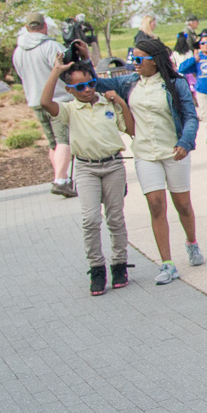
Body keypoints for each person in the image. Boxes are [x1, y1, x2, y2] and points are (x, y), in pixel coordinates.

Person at [95, 35, 202, 284]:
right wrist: (78, 59)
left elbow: (190, 117)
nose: (134, 63)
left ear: (154, 61)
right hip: (145, 153)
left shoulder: (176, 84)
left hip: (174, 152)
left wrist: (185, 142)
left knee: (182, 205)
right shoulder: (131, 82)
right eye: (133, 58)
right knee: (156, 206)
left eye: (139, 59)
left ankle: (192, 242)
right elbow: (96, 84)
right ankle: (167, 264)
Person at [40, 56, 135, 296]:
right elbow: (44, 102)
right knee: (90, 219)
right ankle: (96, 268)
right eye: (80, 87)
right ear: (69, 90)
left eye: (91, 83)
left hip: (113, 165)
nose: (87, 90)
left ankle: (120, 264)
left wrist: (120, 102)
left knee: (115, 218)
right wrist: (55, 72)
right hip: (86, 168)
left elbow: (130, 130)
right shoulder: (70, 109)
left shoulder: (107, 103)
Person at [13, 12, 75, 198]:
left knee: (52, 142)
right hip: (57, 99)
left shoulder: (18, 51)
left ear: (27, 27)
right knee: (63, 139)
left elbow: (20, 74)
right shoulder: (51, 46)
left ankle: (60, 176)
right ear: (44, 26)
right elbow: (65, 70)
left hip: (34, 99)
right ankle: (61, 180)